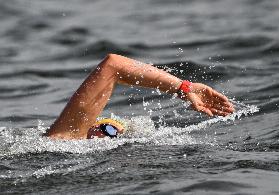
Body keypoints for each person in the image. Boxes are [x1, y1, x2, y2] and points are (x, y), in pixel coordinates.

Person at [45, 54, 234, 140]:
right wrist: (184, 88)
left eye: (114, 133)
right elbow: (114, 65)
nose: (108, 133)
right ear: (88, 125)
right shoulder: (67, 136)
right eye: (106, 127)